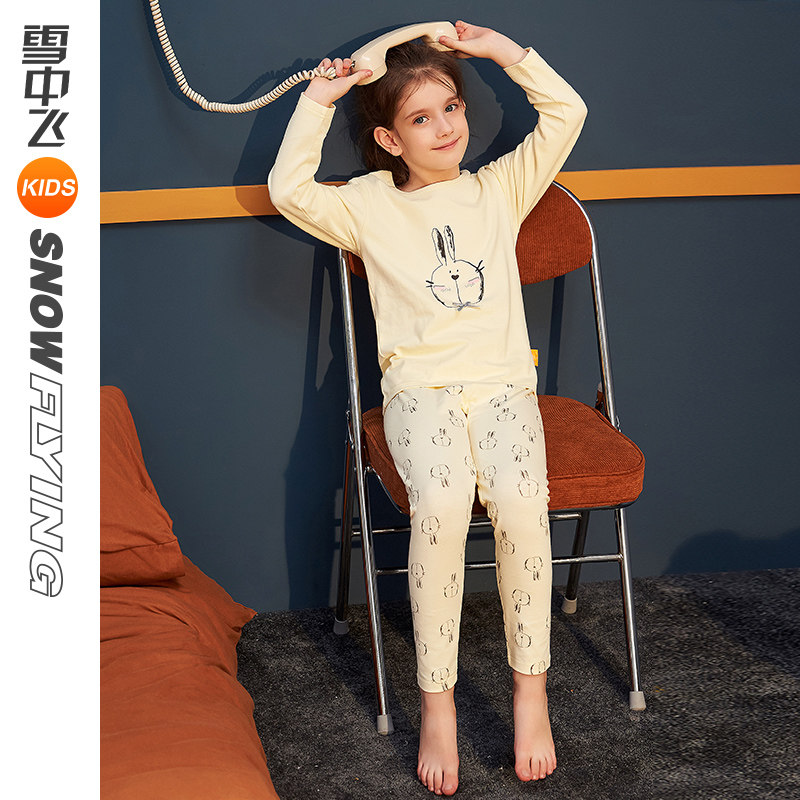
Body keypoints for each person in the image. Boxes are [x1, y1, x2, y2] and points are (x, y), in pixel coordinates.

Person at [268, 20, 586, 796]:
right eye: (421, 117)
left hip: (503, 389)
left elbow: (568, 113)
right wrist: (320, 98)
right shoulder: (365, 205)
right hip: (421, 394)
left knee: (521, 504)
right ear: (389, 138)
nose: (445, 127)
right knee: (439, 505)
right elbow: (287, 190)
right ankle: (436, 704)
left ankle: (531, 693)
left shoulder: (499, 188)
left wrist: (501, 50)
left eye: (451, 108)